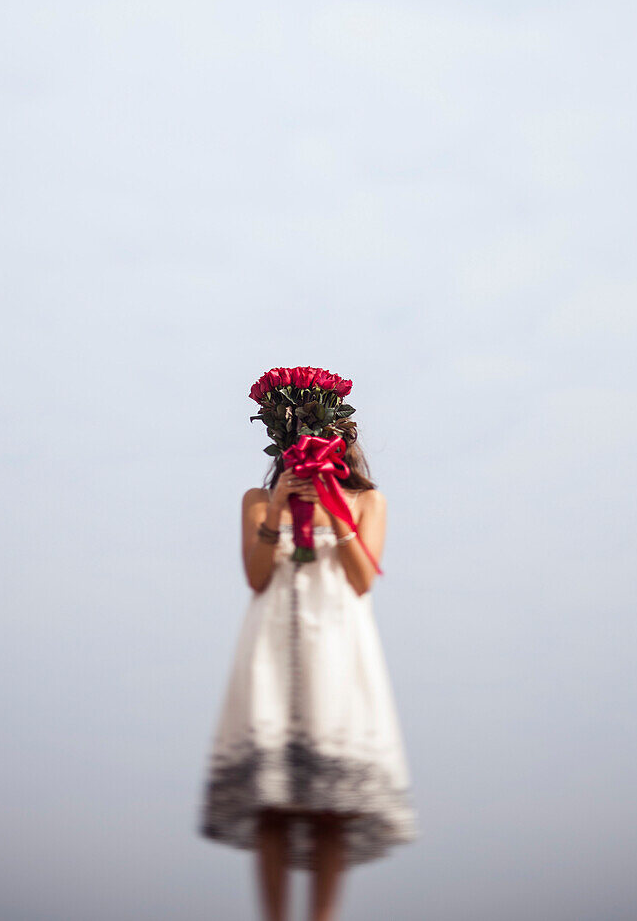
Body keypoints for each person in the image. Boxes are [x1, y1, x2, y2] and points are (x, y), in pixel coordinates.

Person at [197, 375, 419, 921]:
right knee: (272, 805)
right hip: (274, 641)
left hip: (339, 645)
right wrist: (276, 510)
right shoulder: (257, 500)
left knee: (331, 807)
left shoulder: (367, 501)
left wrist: (334, 513)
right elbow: (256, 576)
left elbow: (363, 579)